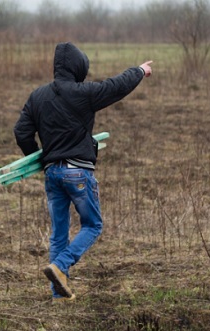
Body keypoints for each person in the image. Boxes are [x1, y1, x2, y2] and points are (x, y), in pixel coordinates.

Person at [14, 42, 153, 302]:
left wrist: (38, 157)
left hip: (52, 173)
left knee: (58, 233)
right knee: (92, 225)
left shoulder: (37, 96)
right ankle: (60, 266)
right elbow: (116, 86)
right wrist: (139, 71)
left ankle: (59, 295)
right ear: (79, 67)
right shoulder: (83, 93)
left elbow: (21, 132)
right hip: (78, 172)